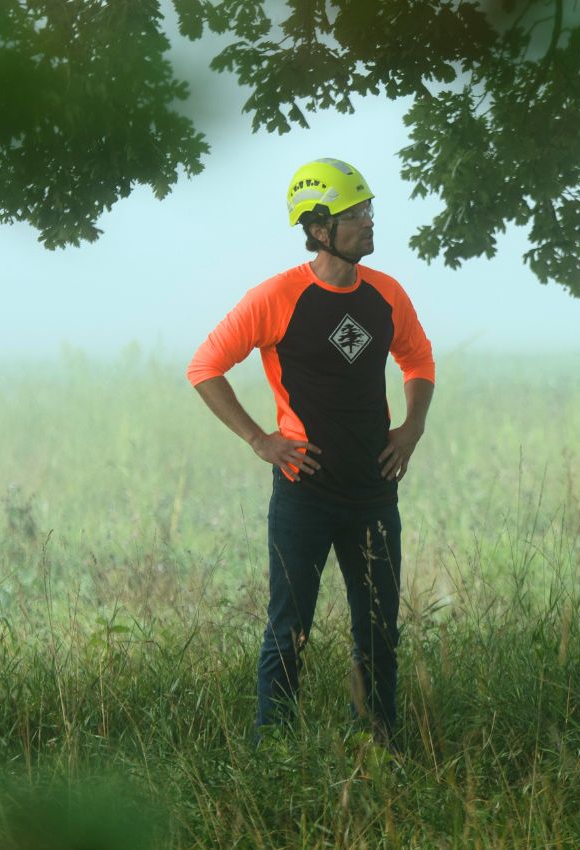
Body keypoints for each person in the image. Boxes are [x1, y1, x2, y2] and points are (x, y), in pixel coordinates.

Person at [187, 158, 435, 746]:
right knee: (289, 629)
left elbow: (418, 361)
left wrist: (413, 426)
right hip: (304, 494)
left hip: (374, 492)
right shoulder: (278, 296)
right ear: (320, 227)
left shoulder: (386, 294)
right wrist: (260, 440)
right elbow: (205, 368)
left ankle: (378, 744)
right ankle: (272, 749)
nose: (371, 223)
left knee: (378, 630)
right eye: (358, 215)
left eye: (370, 210)